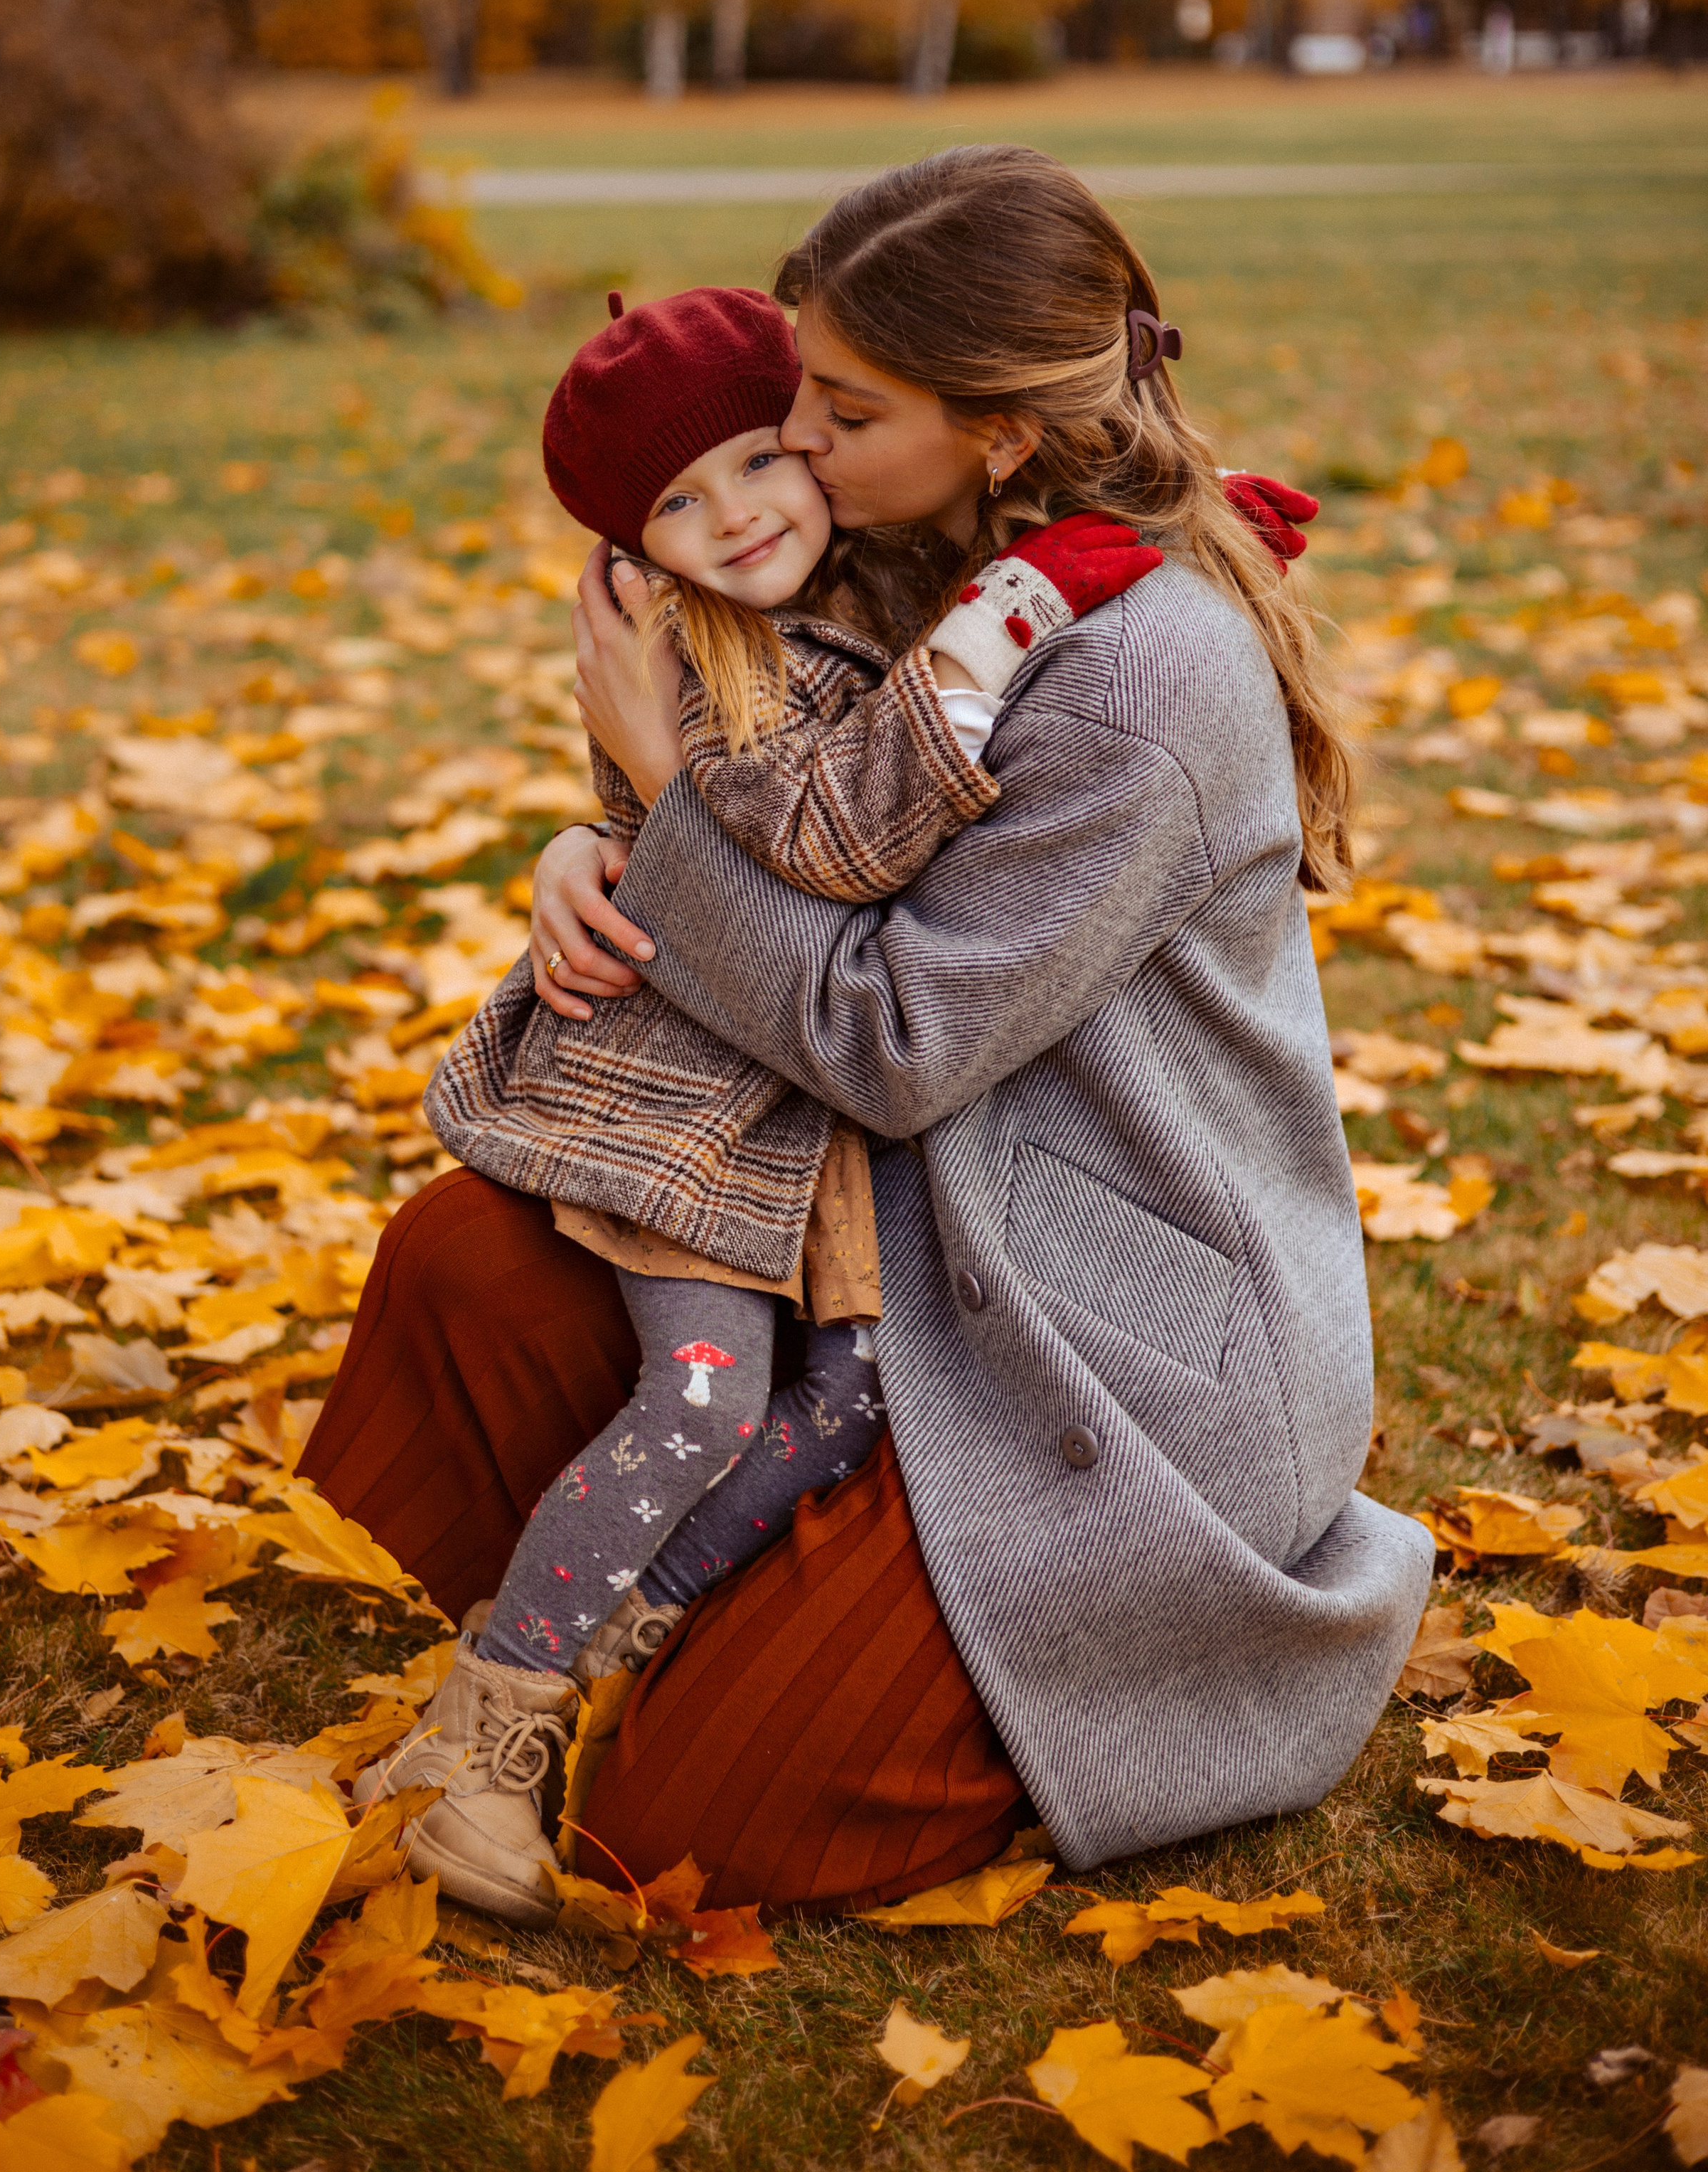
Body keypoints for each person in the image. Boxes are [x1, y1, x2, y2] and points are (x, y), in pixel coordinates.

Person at [302, 143, 1431, 1922]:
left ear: (995, 427)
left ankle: (802, 1628)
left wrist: (664, 802)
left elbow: (885, 1031)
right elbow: (787, 810)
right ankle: (650, 1599)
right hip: (871, 1208)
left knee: (691, 1830)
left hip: (1099, 1326)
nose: (791, 443)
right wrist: (588, 846)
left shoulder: (1135, 683)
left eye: (838, 405)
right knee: (466, 1255)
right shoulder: (905, 561)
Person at [362, 282, 1158, 1923]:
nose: (731, 517)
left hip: (797, 1136)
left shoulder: (838, 612)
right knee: (710, 1399)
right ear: (628, 547)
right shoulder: (722, 660)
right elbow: (838, 840)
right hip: (682, 1117)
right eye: (674, 501)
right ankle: (490, 1723)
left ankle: (626, 1619)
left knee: (856, 1390)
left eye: (753, 462)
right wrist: (1011, 610)